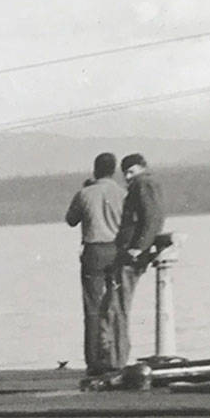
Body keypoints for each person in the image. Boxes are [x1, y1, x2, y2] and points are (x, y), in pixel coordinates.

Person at [101, 153, 166, 370]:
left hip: (131, 254)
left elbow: (152, 218)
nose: (128, 177)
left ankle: (116, 362)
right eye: (125, 173)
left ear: (142, 168)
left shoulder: (143, 183)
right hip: (130, 252)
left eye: (131, 171)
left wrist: (139, 247)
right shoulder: (148, 183)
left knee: (117, 307)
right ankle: (115, 359)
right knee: (116, 306)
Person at [65, 152, 125, 376]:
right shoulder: (122, 193)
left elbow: (71, 220)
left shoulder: (85, 193)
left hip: (94, 251)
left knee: (92, 308)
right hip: (117, 250)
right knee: (117, 305)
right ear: (114, 169)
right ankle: (116, 356)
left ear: (95, 169)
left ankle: (93, 361)